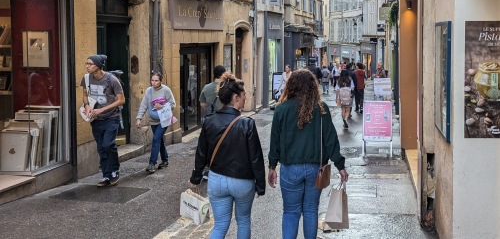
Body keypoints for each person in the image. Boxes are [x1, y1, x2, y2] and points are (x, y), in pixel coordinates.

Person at [268, 69, 348, 239]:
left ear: (291, 86)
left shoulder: (281, 109)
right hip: (315, 169)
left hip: (290, 169)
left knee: (290, 212)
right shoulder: (321, 109)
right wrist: (340, 166)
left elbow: (274, 141)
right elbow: (330, 140)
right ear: (313, 87)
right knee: (311, 211)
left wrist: (272, 166)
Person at [190, 72, 265, 239]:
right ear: (236, 98)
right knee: (243, 221)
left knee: (220, 225)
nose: (245, 98)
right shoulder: (247, 124)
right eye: (244, 95)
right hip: (243, 182)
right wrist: (260, 184)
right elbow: (256, 158)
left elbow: (201, 153)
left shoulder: (209, 121)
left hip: (217, 179)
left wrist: (195, 177)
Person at [81, 54, 125, 187]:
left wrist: (102, 109)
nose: (87, 66)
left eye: (90, 64)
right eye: (86, 63)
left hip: (112, 117)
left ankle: (114, 170)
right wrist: (87, 106)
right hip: (96, 119)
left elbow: (121, 100)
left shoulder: (111, 80)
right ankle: (106, 175)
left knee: (108, 144)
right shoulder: (87, 78)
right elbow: (84, 95)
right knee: (101, 148)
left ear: (99, 66)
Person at [135, 72, 176, 173]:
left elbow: (173, 104)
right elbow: (144, 105)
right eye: (152, 80)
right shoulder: (149, 91)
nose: (154, 82)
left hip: (164, 120)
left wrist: (161, 106)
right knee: (159, 140)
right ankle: (165, 160)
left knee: (156, 139)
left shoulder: (166, 90)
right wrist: (139, 118)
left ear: (161, 80)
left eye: (156, 80)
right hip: (153, 120)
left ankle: (152, 163)